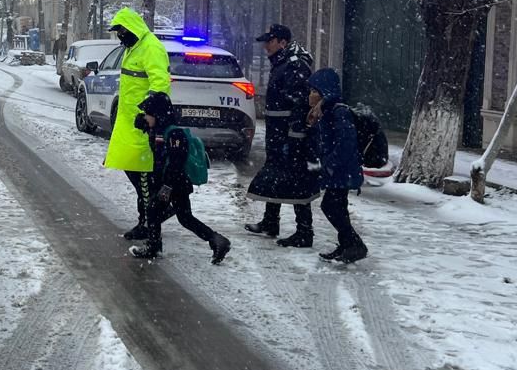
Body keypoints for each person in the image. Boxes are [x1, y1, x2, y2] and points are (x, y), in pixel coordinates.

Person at [130, 91, 231, 264]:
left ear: (158, 115)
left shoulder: (175, 134)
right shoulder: (160, 130)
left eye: (148, 114)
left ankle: (154, 247)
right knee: (185, 218)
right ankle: (217, 240)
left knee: (154, 210)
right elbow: (156, 144)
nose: (145, 117)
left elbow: (176, 163)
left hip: (176, 184)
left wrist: (167, 188)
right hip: (174, 183)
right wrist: (145, 125)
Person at [102, 7, 172, 241]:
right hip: (129, 122)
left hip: (143, 124)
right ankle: (155, 213)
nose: (120, 36)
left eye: (122, 31)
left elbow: (160, 83)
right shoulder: (133, 48)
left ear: (132, 28)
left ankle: (149, 222)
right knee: (132, 169)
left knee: (144, 177)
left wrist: (150, 114)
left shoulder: (150, 47)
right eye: (117, 32)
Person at [245, 23, 319, 246]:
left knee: (296, 179)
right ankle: (270, 222)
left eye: (270, 41)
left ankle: (304, 231)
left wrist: (295, 135)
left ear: (283, 43)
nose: (266, 46)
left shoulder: (294, 65)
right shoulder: (282, 62)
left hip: (288, 136)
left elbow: (299, 103)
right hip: (278, 134)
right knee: (275, 175)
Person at [306, 68, 369, 264]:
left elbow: (346, 143)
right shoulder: (325, 111)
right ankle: (347, 244)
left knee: (330, 206)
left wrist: (330, 165)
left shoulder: (338, 111)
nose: (310, 95)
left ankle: (355, 244)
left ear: (324, 92)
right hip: (338, 169)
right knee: (338, 207)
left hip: (343, 170)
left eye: (314, 91)